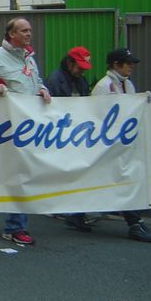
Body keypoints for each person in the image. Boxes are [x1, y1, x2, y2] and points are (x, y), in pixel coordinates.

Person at [0, 17, 52, 245]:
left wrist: (42, 89)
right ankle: (15, 228)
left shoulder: (29, 58)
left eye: (30, 30)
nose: (29, 34)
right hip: (7, 128)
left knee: (16, 176)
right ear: (11, 34)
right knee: (18, 177)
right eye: (24, 31)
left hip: (28, 128)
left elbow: (35, 83)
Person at [92, 48, 151, 243]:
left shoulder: (127, 84)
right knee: (121, 180)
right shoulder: (104, 87)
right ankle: (135, 223)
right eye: (127, 63)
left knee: (108, 180)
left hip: (122, 144)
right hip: (108, 146)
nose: (131, 67)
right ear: (115, 65)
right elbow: (95, 115)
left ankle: (76, 216)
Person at [46, 47, 94, 232]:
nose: (82, 71)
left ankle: (73, 210)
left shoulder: (79, 80)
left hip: (75, 133)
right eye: (79, 66)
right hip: (61, 133)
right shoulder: (56, 79)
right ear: (69, 63)